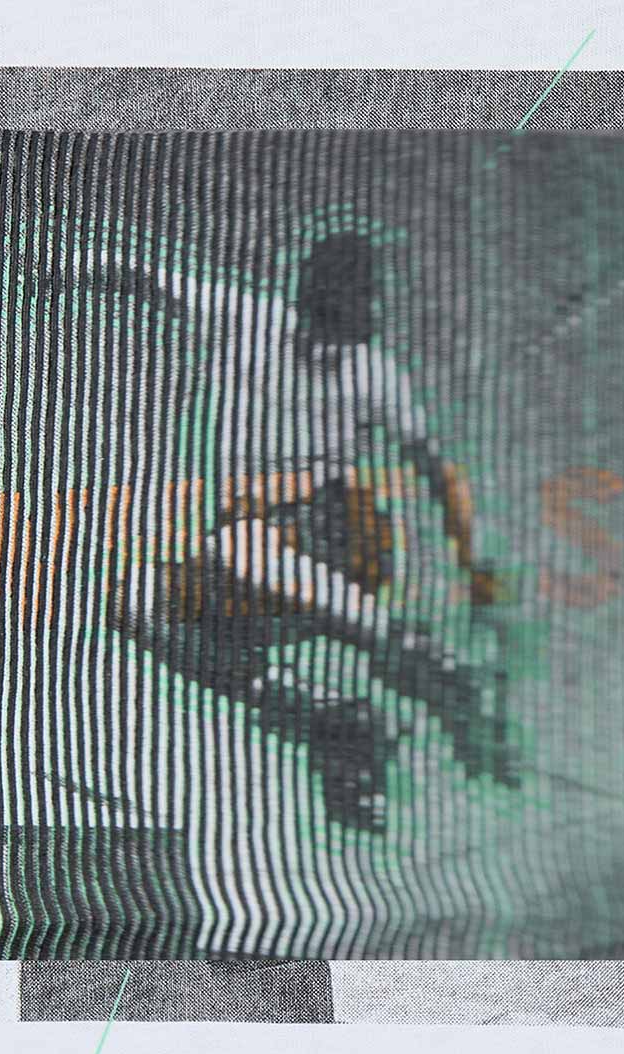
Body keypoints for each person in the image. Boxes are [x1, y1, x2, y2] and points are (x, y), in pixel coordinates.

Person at [80, 227, 519, 830]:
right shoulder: (245, 318)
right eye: (321, 331)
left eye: (343, 341)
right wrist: (71, 266)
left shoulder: (374, 374)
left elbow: (434, 469)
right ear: (305, 303)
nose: (328, 351)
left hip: (335, 531)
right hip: (254, 542)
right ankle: (325, 718)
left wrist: (472, 565)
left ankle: (414, 655)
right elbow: (149, 282)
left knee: (238, 544)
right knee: (135, 600)